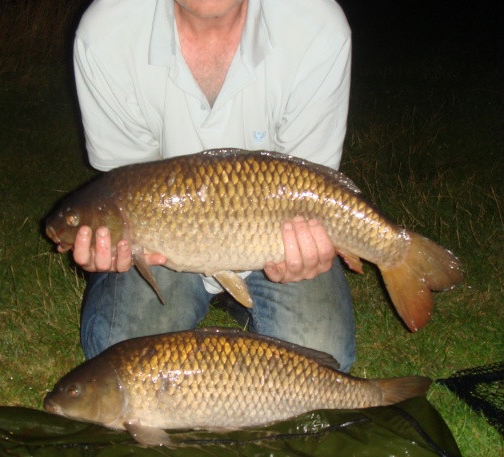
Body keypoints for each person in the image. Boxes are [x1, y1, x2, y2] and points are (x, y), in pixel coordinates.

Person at [67, 0, 356, 371]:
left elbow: (314, 186)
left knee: (323, 355)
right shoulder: (106, 34)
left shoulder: (316, 25)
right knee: (118, 351)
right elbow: (124, 183)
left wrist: (308, 250)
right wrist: (114, 248)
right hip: (166, 246)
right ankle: (220, 295)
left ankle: (242, 295)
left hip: (275, 233)